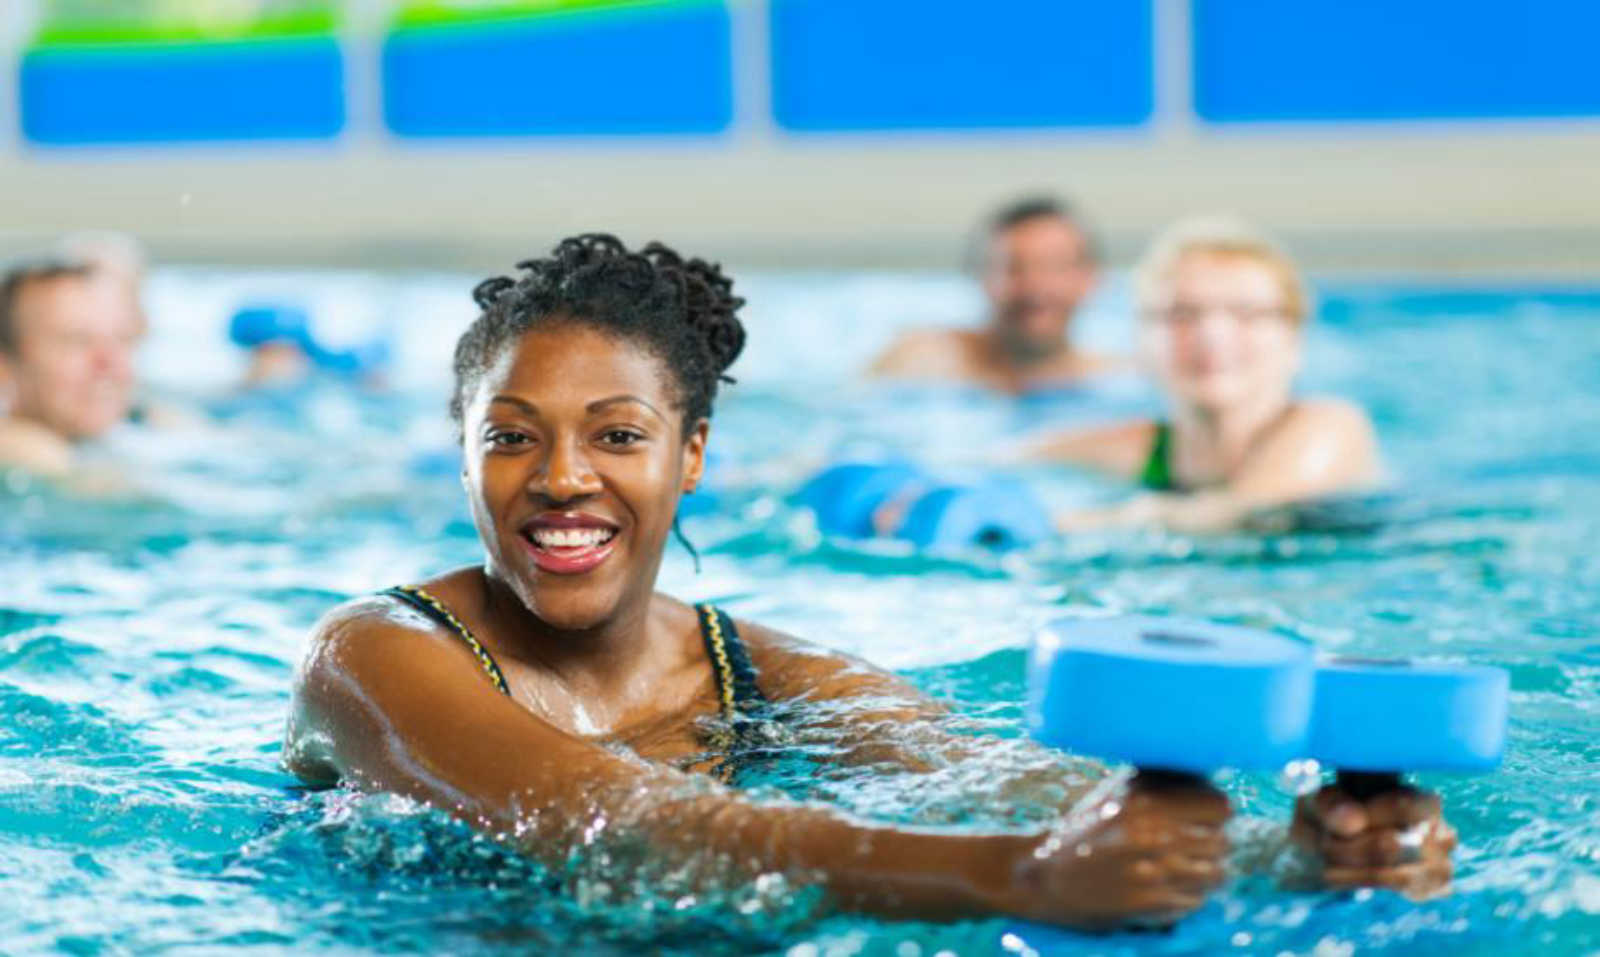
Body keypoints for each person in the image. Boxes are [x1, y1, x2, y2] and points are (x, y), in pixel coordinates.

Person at [285, 235, 1452, 930]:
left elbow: (1000, 777)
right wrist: (1026, 881)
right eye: (510, 438)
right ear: (461, 452)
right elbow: (611, 820)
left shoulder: (757, 670)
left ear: (692, 457)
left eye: (619, 436)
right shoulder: (373, 655)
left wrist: (1283, 854)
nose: (561, 480)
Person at [1026, 217, 1382, 532]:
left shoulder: (1329, 427)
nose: (1211, 336)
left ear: (1294, 339)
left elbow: (1243, 510)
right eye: (1181, 314)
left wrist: (1061, 524)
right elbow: (1009, 458)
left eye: (1245, 313)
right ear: (1140, 343)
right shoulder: (1147, 449)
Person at [868, 196, 1120, 394]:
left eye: (1054, 267)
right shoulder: (921, 360)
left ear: (1091, 279)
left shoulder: (1116, 379)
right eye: (1013, 268)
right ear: (980, 277)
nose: (1035, 287)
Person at [0, 259, 143, 479]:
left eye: (121, 339)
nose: (110, 362)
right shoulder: (25, 456)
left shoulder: (140, 428)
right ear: (5, 365)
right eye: (77, 341)